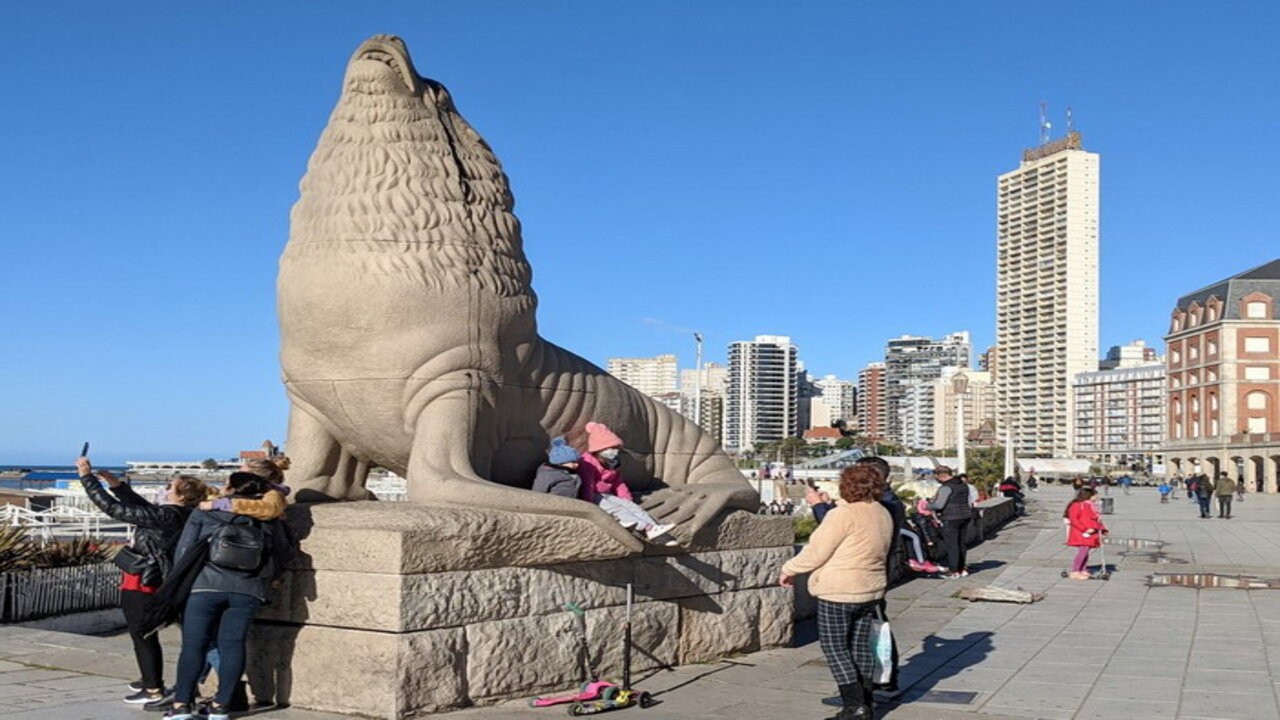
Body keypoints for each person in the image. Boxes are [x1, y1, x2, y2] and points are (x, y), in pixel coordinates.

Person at [75, 457, 207, 706]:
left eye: (170, 487)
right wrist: (116, 485)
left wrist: (87, 478)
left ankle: (152, 687)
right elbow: (141, 508)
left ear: (181, 496)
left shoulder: (168, 515)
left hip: (144, 580)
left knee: (141, 633)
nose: (165, 489)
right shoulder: (180, 514)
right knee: (148, 633)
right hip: (155, 577)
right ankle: (152, 679)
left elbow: (115, 510)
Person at [164, 470, 291, 720]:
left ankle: (181, 706)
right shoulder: (269, 517)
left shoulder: (206, 510)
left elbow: (184, 550)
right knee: (233, 645)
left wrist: (179, 585)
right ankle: (221, 706)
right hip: (248, 589)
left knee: (194, 646)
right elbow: (282, 553)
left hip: (205, 586)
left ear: (233, 489)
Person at [779, 465, 892, 720]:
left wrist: (789, 568)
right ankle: (866, 700)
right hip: (870, 589)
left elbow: (816, 552)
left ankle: (854, 706)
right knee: (860, 645)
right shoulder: (881, 512)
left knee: (835, 647)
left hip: (840, 590)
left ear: (846, 486)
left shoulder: (843, 515)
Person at [577, 422, 676, 545]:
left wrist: (627, 499)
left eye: (616, 448)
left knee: (633, 507)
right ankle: (645, 527)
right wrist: (588, 501)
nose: (615, 451)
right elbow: (587, 483)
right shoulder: (587, 462)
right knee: (618, 509)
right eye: (611, 448)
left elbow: (618, 483)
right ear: (599, 449)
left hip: (607, 493)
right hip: (594, 494)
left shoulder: (612, 462)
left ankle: (655, 529)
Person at [927, 466, 972, 579]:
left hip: (950, 518)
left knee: (952, 545)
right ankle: (962, 569)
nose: (936, 478)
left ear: (941, 476)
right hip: (964, 516)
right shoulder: (962, 484)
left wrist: (927, 505)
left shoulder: (946, 488)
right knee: (961, 543)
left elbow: (939, 505)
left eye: (936, 476)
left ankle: (953, 570)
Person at [1065, 488, 1107, 580]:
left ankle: (1083, 569)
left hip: (1090, 532)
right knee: (1083, 551)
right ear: (1088, 496)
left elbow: (1096, 520)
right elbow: (1074, 519)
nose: (1096, 497)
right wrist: (1084, 529)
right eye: (1095, 495)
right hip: (1081, 532)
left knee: (1086, 552)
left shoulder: (1091, 506)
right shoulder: (1077, 505)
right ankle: (1075, 571)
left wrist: (1102, 529)